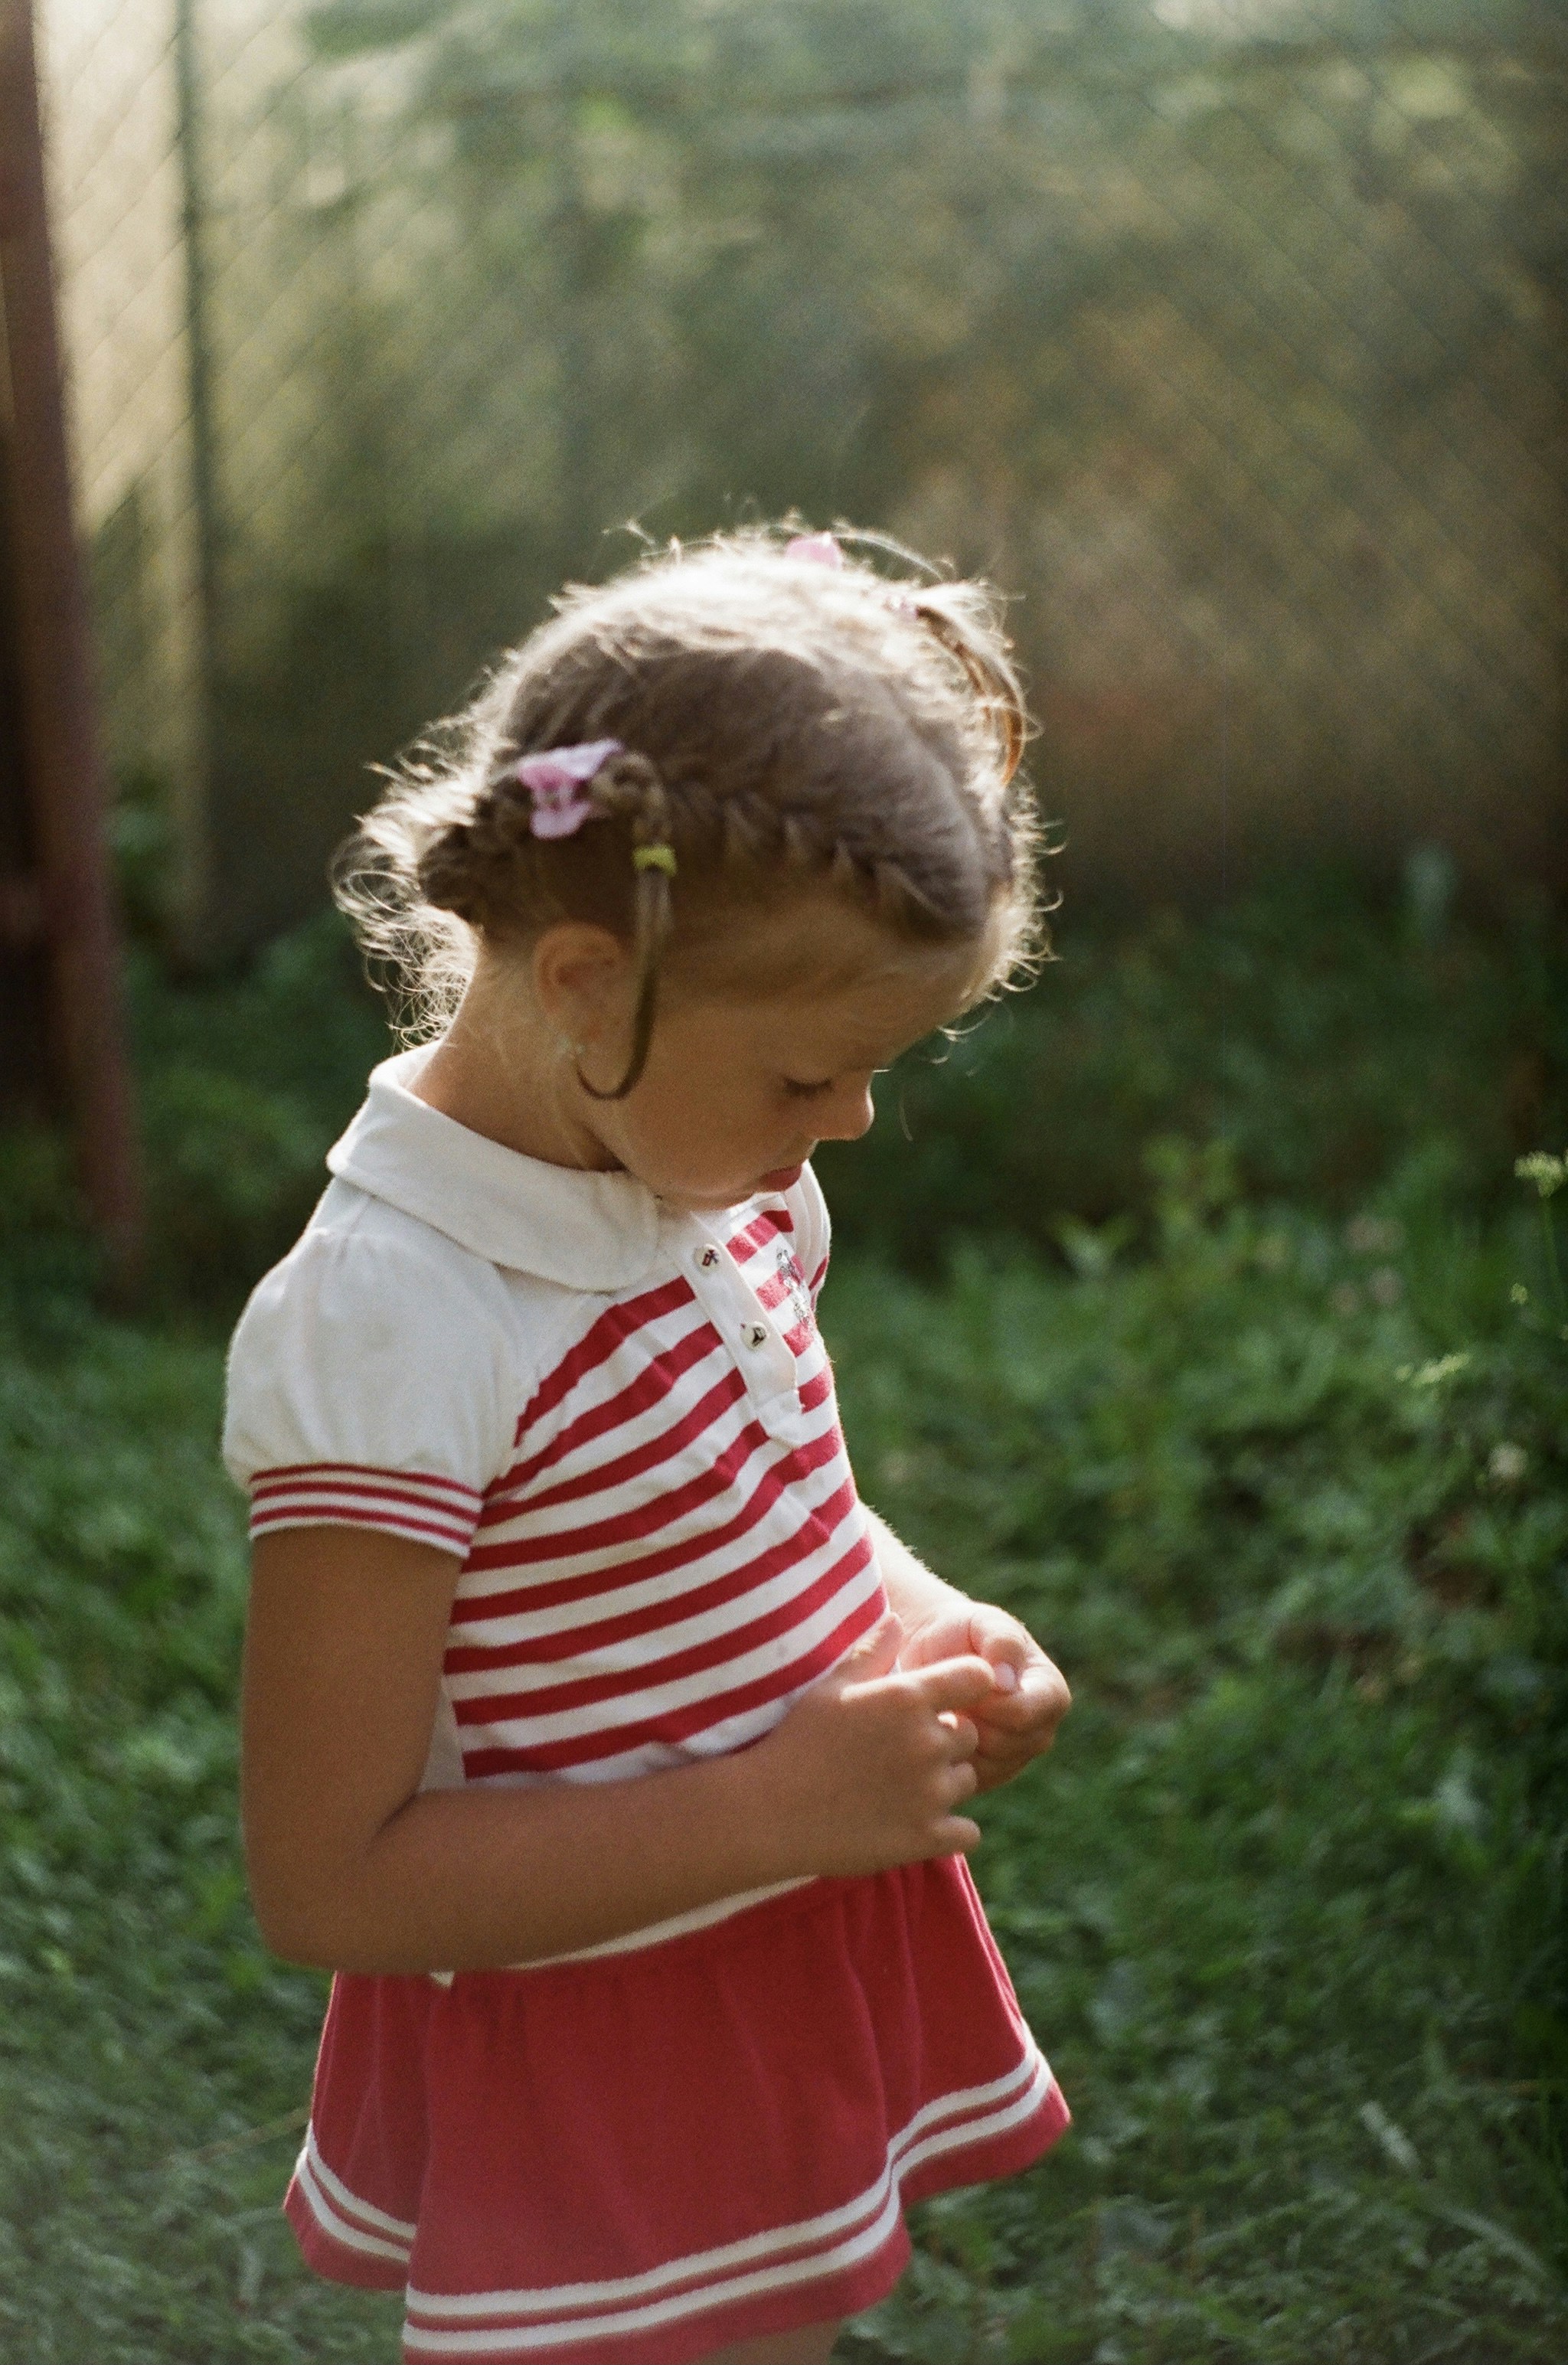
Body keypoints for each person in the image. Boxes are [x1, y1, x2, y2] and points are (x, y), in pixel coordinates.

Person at [225, 525, 1073, 2365]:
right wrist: (781, 1806)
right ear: (589, 983)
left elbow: (782, 1499)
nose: (847, 1121)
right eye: (806, 1073)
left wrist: (921, 1616)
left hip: (762, 1954)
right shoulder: (396, 1321)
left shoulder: (708, 1177)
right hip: (595, 2038)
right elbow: (327, 1874)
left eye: (877, 1071)